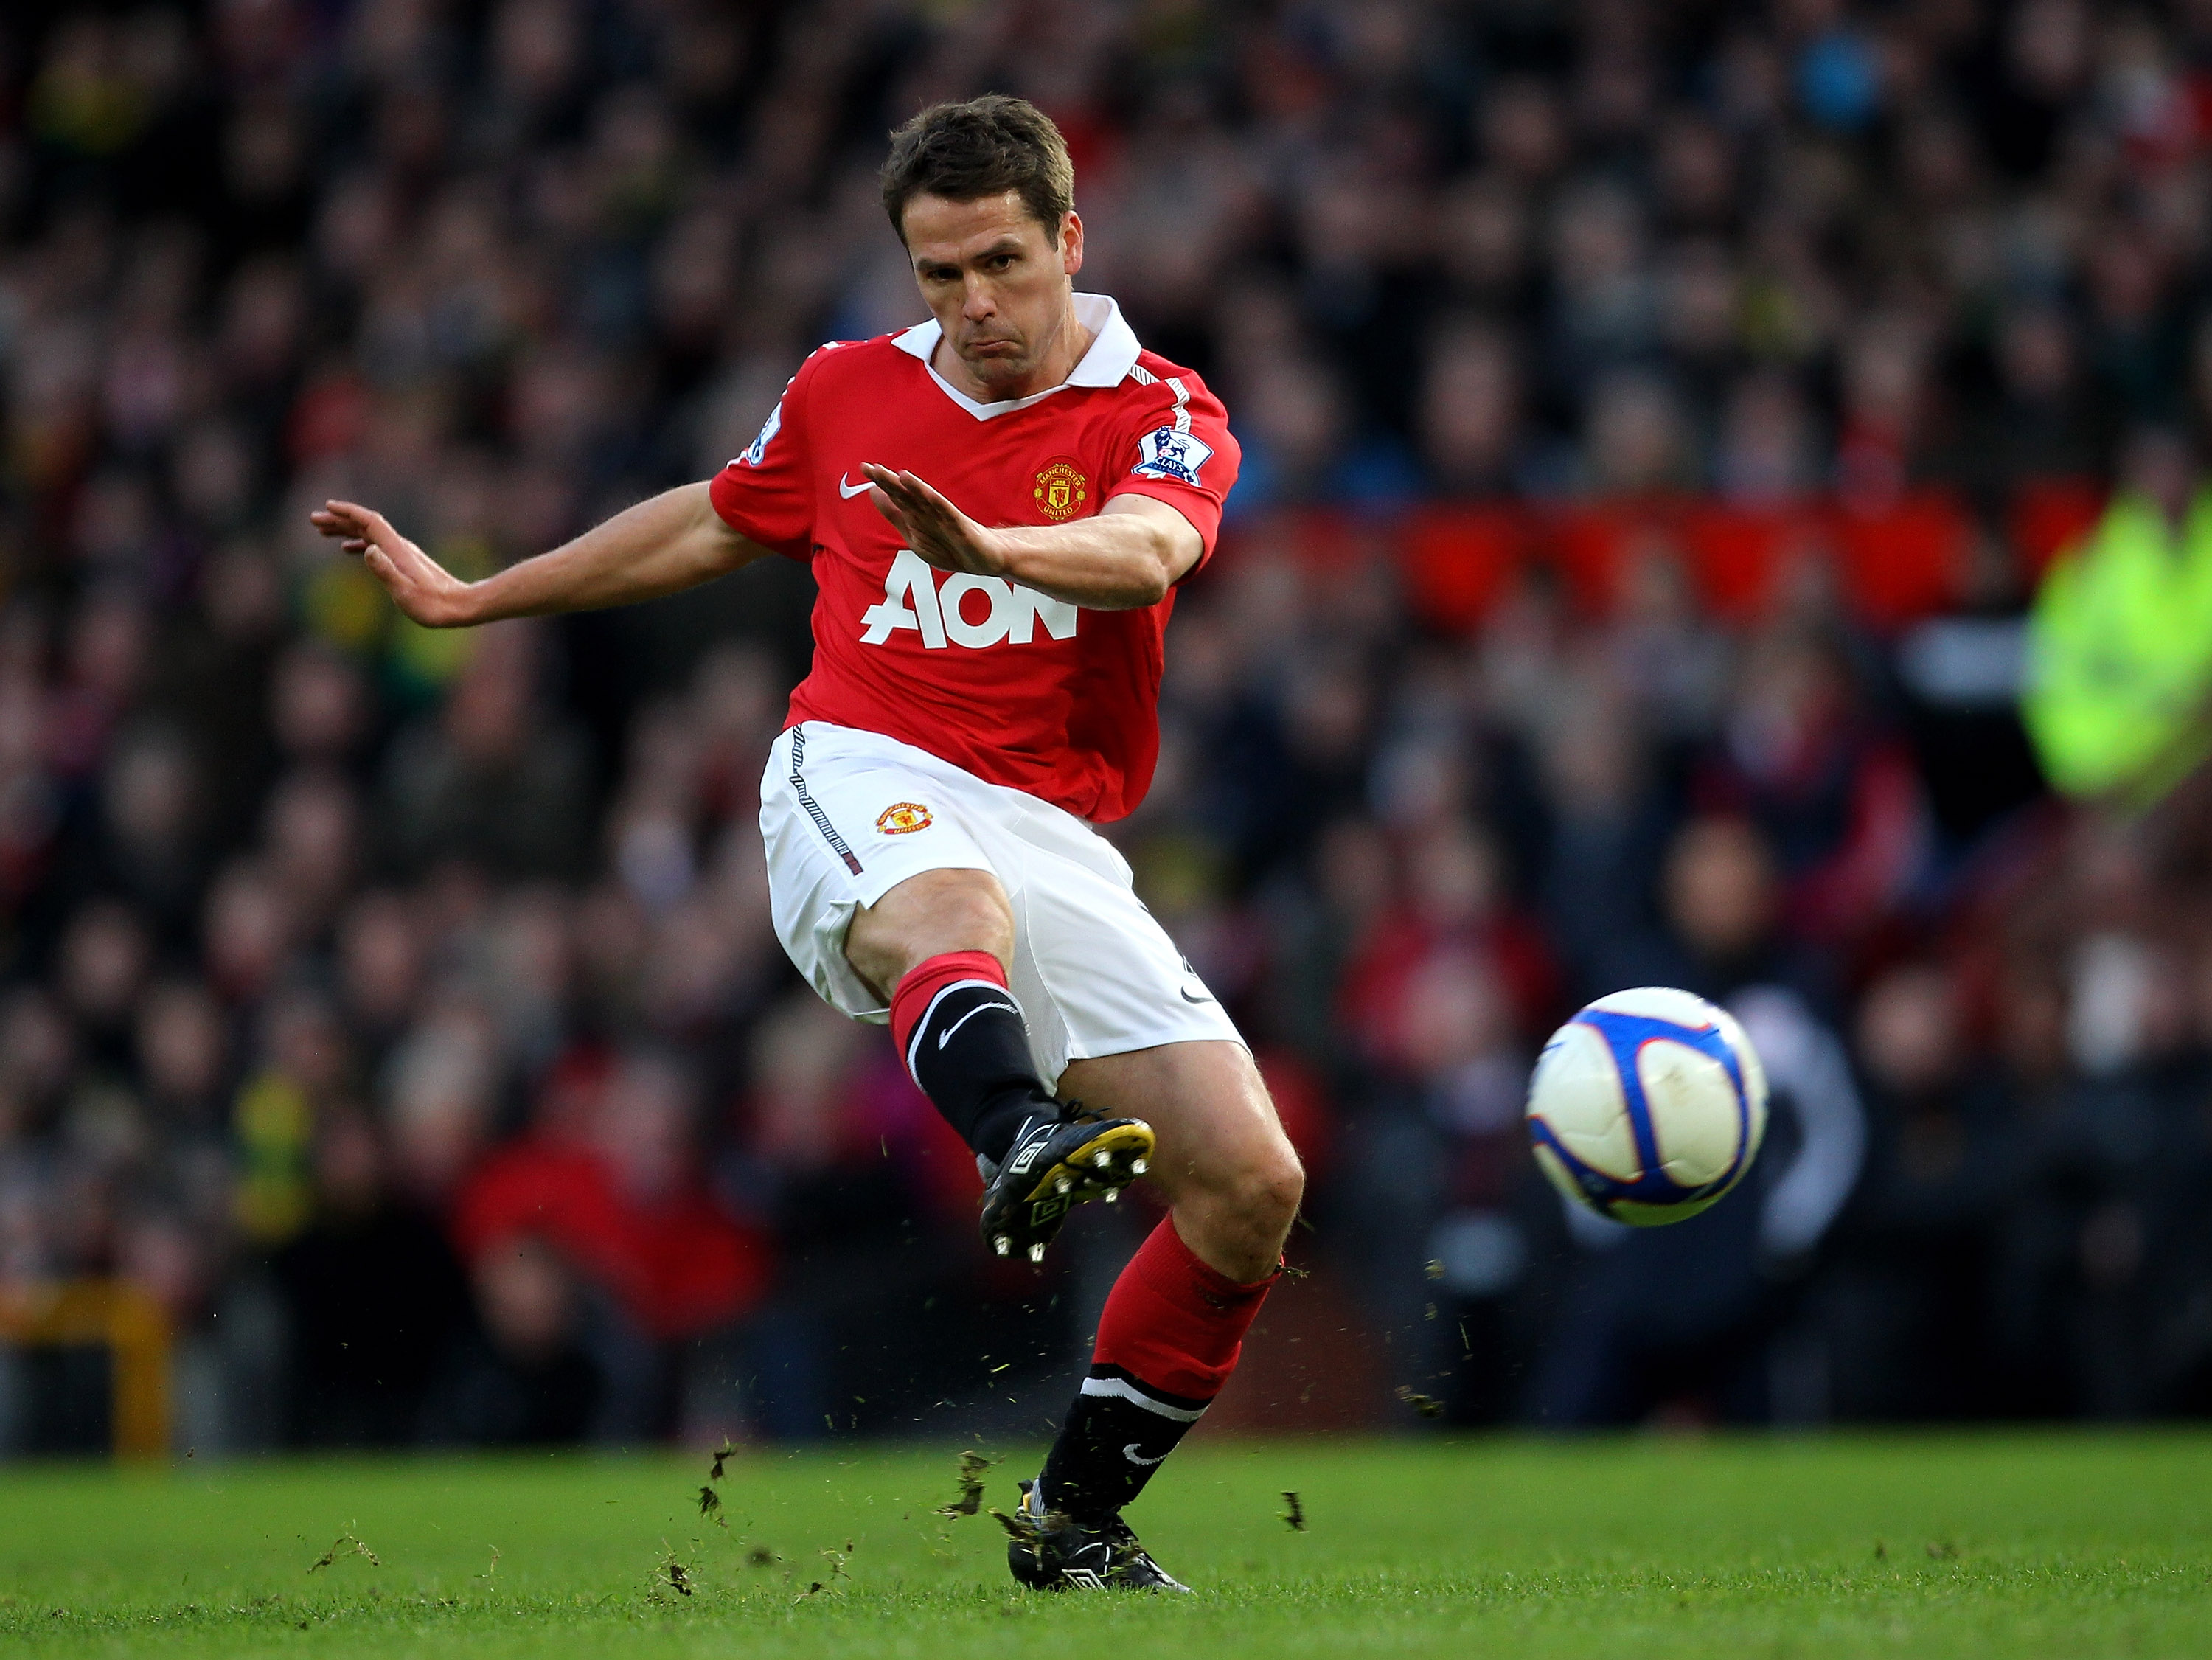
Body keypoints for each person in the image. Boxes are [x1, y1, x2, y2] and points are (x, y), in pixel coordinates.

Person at [310, 95, 1303, 1593]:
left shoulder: (1158, 410)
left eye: (1000, 264)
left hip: (1054, 824)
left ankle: (1079, 1518)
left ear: (1069, 241)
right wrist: (478, 595)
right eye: (938, 274)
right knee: (946, 899)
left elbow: (1151, 548)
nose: (973, 304)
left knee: (1249, 1182)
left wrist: (997, 549)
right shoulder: (846, 391)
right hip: (858, 763)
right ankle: (1013, 1125)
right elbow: (717, 516)